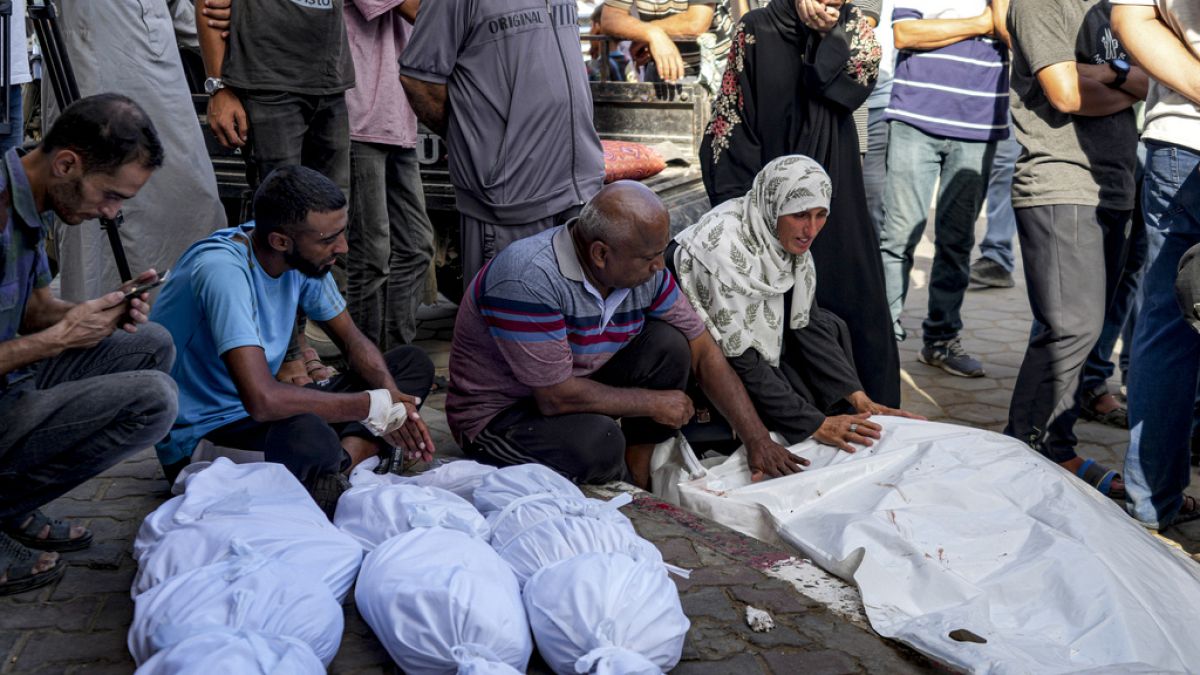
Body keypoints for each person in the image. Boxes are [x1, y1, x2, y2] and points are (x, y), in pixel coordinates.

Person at [446, 181, 806, 488]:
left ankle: (638, 475)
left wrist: (757, 439)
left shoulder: (645, 274)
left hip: (568, 385)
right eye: (649, 257)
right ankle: (623, 491)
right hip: (500, 417)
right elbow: (554, 398)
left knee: (670, 346)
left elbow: (703, 350)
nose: (659, 266)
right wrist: (653, 403)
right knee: (598, 443)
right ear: (600, 254)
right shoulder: (528, 279)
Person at [150, 166, 435, 516]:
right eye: (329, 239)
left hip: (267, 411)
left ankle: (341, 466)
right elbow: (263, 401)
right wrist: (369, 407)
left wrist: (393, 408)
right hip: (205, 435)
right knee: (308, 435)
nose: (342, 248)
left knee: (409, 364)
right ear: (280, 241)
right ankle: (354, 458)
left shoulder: (304, 260)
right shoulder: (223, 270)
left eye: (341, 234)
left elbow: (352, 342)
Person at [0, 94, 177, 595]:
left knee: (149, 343)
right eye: (110, 195)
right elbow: (44, 335)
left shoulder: (32, 199)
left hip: (10, 383)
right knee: (153, 400)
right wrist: (58, 340)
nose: (110, 213)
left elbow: (33, 309)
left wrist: (94, 311)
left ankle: (10, 505)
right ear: (66, 163)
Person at [700, 0, 901, 407]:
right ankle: (791, 414)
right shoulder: (757, 28)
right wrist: (748, 215)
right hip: (765, 202)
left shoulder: (854, 29)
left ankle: (861, 405)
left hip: (835, 195)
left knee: (847, 292)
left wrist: (831, 37)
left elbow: (853, 88)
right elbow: (733, 119)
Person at [672, 156, 922, 449]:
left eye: (821, 215)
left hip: (746, 348)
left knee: (830, 327)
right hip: (701, 353)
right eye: (801, 215)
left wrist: (857, 396)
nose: (812, 230)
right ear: (775, 205)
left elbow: (807, 321)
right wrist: (813, 424)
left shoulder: (775, 232)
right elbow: (739, 355)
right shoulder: (721, 250)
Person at [1004, 0, 1145, 498]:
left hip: (1115, 187)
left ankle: (1056, 446)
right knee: (1070, 327)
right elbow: (1064, 94)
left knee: (1082, 331)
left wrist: (1105, 74)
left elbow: (1147, 82)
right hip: (1060, 183)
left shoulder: (1114, 11)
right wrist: (1121, 80)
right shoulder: (1041, 4)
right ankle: (1024, 450)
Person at [400, 0, 605, 288]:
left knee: (578, 320)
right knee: (513, 323)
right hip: (511, 197)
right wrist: (475, 141)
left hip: (579, 190)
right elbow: (419, 81)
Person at [46, 0, 227, 302]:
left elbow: (180, 12)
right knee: (97, 201)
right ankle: (98, 328)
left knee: (193, 197)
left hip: (160, 71)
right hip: (94, 65)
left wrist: (221, 33)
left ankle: (187, 314)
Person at [877, 0, 1008, 377]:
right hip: (915, 119)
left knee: (957, 241)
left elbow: (1012, 31)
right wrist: (982, 23)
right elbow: (906, 34)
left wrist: (973, 23)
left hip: (979, 126)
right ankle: (882, 335)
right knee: (898, 236)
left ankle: (941, 339)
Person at [1111, 0, 1200, 529]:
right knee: (1167, 321)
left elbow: (1133, 17)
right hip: (1182, 138)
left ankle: (1151, 502)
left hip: (1180, 133)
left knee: (1168, 323)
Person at [343, 0, 435, 350]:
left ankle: (397, 356)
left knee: (416, 246)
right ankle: (365, 363)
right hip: (361, 119)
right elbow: (419, 12)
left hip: (399, 120)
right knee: (372, 254)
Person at [597, 0, 728, 90]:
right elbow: (610, 18)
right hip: (660, 70)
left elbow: (696, 22)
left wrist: (650, 31)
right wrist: (653, 34)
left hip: (714, 71)